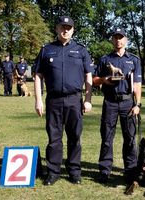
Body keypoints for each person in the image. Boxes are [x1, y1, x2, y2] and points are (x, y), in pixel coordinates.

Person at [34, 16, 93, 186]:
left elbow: (88, 75)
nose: (65, 30)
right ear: (56, 28)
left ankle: (74, 171)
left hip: (75, 100)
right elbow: (38, 75)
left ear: (73, 30)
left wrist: (88, 100)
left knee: (74, 137)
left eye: (69, 27)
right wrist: (38, 100)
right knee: (54, 138)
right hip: (53, 100)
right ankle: (53, 172)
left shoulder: (81, 50)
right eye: (62, 27)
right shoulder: (46, 49)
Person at [93, 28, 142, 184]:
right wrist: (105, 79)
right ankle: (105, 171)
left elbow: (137, 84)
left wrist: (138, 104)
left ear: (126, 39)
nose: (118, 40)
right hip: (110, 102)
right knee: (107, 138)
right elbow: (94, 80)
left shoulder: (134, 59)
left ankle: (131, 171)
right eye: (115, 37)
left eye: (121, 37)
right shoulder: (105, 59)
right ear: (112, 40)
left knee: (130, 139)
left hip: (128, 102)